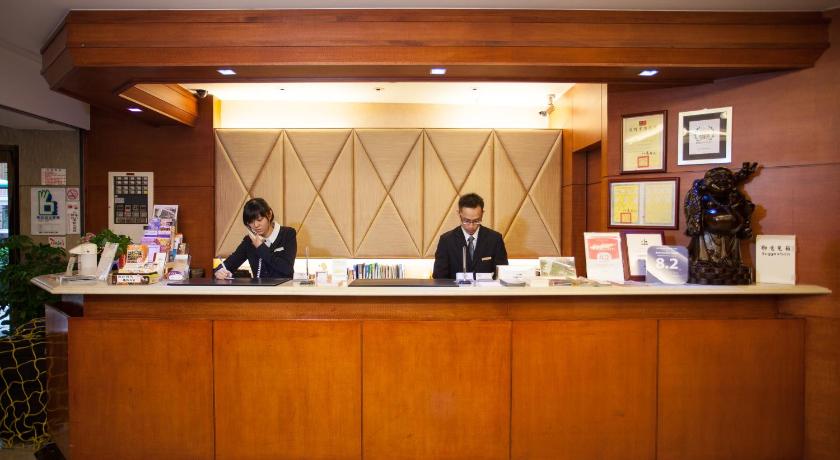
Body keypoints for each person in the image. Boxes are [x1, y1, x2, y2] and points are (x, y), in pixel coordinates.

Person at [214, 198, 296, 279]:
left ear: (269, 214)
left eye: (259, 220)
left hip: (284, 287)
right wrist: (219, 272)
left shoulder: (288, 234)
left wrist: (261, 247)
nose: (256, 225)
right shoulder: (249, 241)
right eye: (251, 222)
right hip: (259, 288)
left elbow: (287, 269)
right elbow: (228, 264)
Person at [432, 193, 508, 279]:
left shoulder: (495, 239)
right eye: (466, 221)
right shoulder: (446, 240)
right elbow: (439, 277)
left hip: (486, 288)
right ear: (459, 214)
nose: (471, 226)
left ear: (482, 214)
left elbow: (503, 274)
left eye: (476, 221)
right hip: (456, 288)